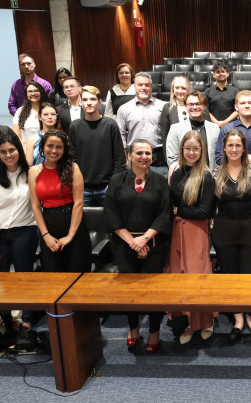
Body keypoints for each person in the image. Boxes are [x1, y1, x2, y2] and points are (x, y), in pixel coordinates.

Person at [105, 139, 171, 354]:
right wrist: (132, 241)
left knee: (155, 292)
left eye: (148, 153)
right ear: (129, 156)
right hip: (124, 244)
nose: (144, 156)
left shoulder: (160, 181)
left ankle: (154, 331)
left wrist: (144, 238)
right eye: (139, 152)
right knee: (129, 292)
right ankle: (133, 327)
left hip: (153, 244)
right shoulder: (116, 181)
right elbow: (111, 213)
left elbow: (165, 213)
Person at [212, 129, 251, 342]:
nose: (234, 149)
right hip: (224, 231)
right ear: (224, 148)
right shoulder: (216, 173)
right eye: (230, 145)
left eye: (238, 145)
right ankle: (238, 319)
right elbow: (212, 205)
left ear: (244, 149)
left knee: (250, 276)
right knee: (230, 277)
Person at [0, 134, 38, 331]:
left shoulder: (30, 173)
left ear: (19, 151)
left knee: (25, 279)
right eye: (3, 152)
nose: (8, 155)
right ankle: (5, 320)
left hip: (25, 233)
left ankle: (27, 319)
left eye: (11, 150)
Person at [167, 131, 216, 344]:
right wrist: (176, 212)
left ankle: (204, 322)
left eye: (196, 149)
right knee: (179, 274)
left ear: (202, 151)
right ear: (182, 150)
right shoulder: (176, 172)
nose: (192, 152)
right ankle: (188, 321)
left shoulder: (205, 175)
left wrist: (177, 211)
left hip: (196, 230)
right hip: (176, 231)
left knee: (197, 277)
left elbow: (204, 211)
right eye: (188, 148)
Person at [28, 130, 92, 273]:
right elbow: (35, 206)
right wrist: (45, 235)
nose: (54, 151)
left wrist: (70, 236)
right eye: (50, 146)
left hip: (73, 222)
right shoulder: (34, 171)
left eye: (59, 147)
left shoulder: (73, 168)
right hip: (48, 223)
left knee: (78, 274)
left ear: (65, 149)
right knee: (53, 275)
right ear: (43, 147)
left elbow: (79, 204)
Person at [69, 86, 126, 206]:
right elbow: (72, 158)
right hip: (83, 188)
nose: (88, 103)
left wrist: (113, 184)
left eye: (92, 99)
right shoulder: (74, 126)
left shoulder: (110, 125)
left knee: (109, 224)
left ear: (99, 102)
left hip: (107, 188)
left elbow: (119, 158)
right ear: (81, 103)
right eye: (85, 100)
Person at [117, 71, 167, 170]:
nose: (143, 88)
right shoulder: (124, 109)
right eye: (140, 85)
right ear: (134, 87)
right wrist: (125, 157)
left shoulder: (163, 106)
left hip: (158, 156)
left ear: (151, 87)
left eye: (147, 85)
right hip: (135, 155)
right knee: (136, 185)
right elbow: (121, 135)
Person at [166, 90, 221, 170]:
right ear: (185, 106)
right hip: (185, 177)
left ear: (204, 106)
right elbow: (172, 159)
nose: (194, 107)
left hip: (210, 176)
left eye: (198, 104)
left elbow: (219, 156)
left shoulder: (215, 128)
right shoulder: (175, 129)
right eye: (191, 104)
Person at [159, 75, 201, 154]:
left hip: (197, 151)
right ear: (173, 89)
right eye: (177, 88)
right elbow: (165, 135)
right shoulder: (167, 107)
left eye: (183, 88)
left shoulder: (198, 106)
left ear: (188, 89)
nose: (180, 91)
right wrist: (169, 158)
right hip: (176, 152)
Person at [205, 61, 238, 128]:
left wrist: (225, 122)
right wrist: (217, 123)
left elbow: (238, 110)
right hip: (213, 126)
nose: (221, 74)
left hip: (232, 125)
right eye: (218, 72)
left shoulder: (235, 91)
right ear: (213, 75)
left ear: (228, 74)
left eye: (223, 71)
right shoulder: (208, 91)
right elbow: (206, 110)